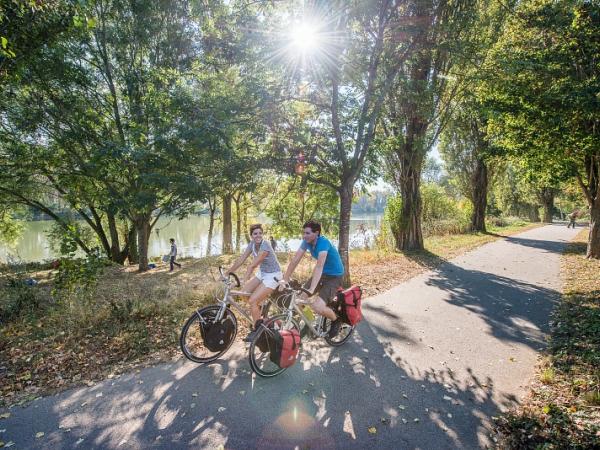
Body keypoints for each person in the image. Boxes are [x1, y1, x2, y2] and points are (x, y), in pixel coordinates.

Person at [280, 220, 344, 338]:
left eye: (308, 233)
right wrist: (285, 279)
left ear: (317, 233)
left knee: (318, 306)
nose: (304, 236)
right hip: (322, 274)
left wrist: (312, 288)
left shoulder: (323, 243)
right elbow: (295, 260)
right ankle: (308, 322)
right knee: (299, 301)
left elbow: (319, 266)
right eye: (303, 233)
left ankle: (336, 320)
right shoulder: (307, 242)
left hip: (334, 276)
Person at [225, 224, 283, 341]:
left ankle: (258, 332)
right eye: (255, 233)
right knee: (243, 294)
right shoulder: (252, 244)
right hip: (262, 273)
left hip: (273, 275)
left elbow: (253, 265)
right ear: (251, 236)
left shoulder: (265, 245)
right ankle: (261, 312)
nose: (258, 236)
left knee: (252, 301)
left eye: (260, 233)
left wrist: (241, 281)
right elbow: (241, 259)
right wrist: (227, 272)